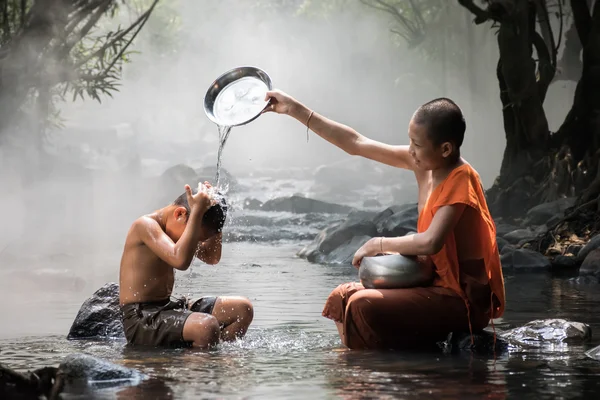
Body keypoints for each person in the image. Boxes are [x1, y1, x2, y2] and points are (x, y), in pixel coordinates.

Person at [263, 90, 505, 350]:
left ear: (446, 148)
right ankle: (366, 366)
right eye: (410, 142)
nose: (410, 151)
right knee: (341, 297)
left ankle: (372, 368)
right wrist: (294, 110)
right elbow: (355, 143)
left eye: (417, 145)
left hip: (461, 299)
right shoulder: (423, 163)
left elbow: (431, 242)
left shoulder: (461, 177)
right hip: (433, 284)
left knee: (361, 304)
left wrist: (378, 244)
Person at [119, 182, 253, 348]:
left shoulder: (178, 227)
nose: (194, 241)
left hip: (169, 306)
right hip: (142, 317)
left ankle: (216, 358)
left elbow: (211, 257)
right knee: (206, 326)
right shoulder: (145, 225)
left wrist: (216, 212)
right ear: (180, 214)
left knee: (242, 309)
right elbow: (180, 260)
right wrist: (197, 211)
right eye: (195, 236)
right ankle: (193, 369)